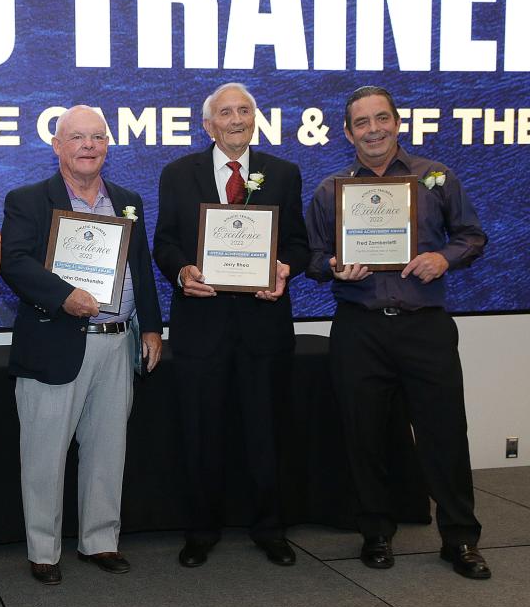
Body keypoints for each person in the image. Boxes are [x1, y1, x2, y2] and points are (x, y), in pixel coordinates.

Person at [305, 85, 490, 579]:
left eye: (381, 118)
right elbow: (313, 258)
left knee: (445, 435)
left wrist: (441, 257)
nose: (373, 130)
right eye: (361, 123)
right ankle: (376, 534)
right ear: (347, 133)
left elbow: (472, 236)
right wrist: (335, 266)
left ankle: (460, 540)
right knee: (364, 437)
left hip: (424, 327)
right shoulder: (331, 191)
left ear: (397, 123)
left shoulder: (435, 177)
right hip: (359, 329)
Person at [0, 105, 163, 585]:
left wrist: (151, 327)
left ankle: (100, 541)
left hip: (118, 343)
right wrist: (63, 296)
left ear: (108, 146)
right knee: (44, 454)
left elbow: (143, 269)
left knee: (108, 448)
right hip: (55, 341)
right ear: (57, 147)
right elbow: (14, 262)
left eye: (97, 137)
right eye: (77, 138)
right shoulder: (28, 200)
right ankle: (44, 551)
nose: (88, 145)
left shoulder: (127, 199)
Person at [152, 83, 309, 569]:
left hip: (264, 329)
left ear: (255, 119)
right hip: (202, 328)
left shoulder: (283, 173)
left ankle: (270, 528)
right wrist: (182, 272)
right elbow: (165, 243)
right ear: (208, 124)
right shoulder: (178, 174)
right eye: (226, 112)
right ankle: (200, 531)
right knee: (201, 433)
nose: (237, 119)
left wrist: (283, 267)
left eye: (245, 110)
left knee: (267, 432)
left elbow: (300, 245)